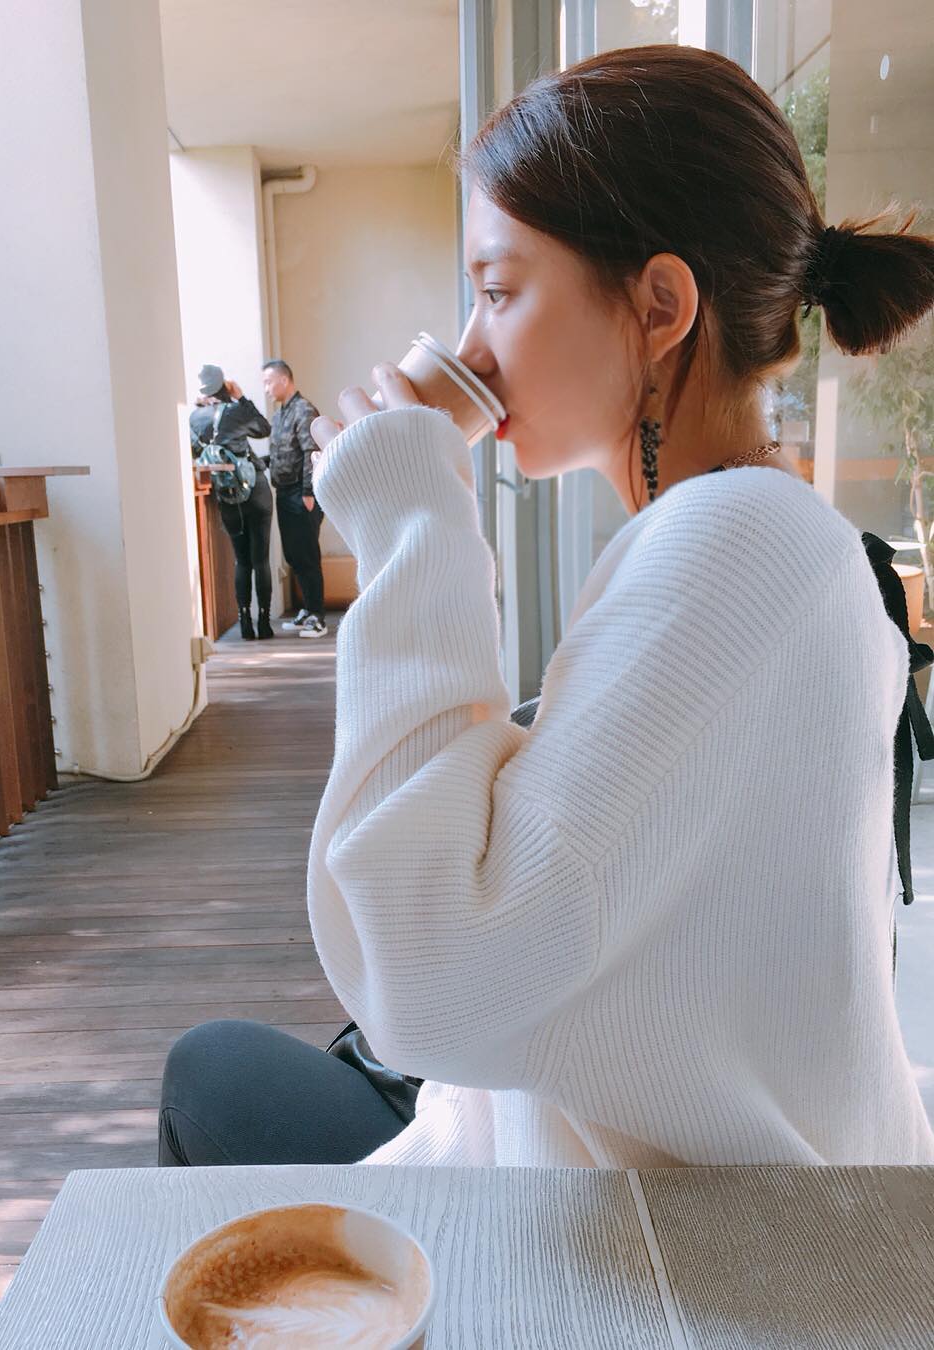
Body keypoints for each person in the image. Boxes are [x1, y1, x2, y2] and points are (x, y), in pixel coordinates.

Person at [159, 46, 934, 1171]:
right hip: (630, 1162)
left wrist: (414, 522)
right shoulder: (764, 534)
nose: (470, 347)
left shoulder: (734, 546)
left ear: (660, 306)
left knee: (212, 1071)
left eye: (498, 290)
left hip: (644, 1232)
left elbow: (421, 979)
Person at [189, 364, 274, 640]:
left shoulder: (195, 418)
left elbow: (194, 451)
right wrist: (241, 397)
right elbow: (263, 428)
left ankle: (244, 622)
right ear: (224, 386)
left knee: (242, 561)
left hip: (227, 495)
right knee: (260, 560)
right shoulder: (236, 411)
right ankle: (264, 622)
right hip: (256, 490)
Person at [262, 359, 328, 638]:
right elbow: (282, 454)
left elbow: (311, 452)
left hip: (301, 494)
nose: (266, 388)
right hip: (284, 491)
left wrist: (308, 492)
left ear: (284, 379)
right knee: (294, 554)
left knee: (307, 554)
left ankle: (318, 617)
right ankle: (307, 610)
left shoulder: (303, 410)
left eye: (268, 382)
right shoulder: (279, 415)